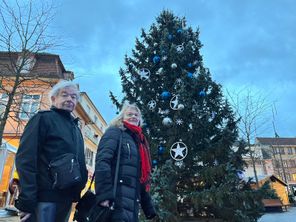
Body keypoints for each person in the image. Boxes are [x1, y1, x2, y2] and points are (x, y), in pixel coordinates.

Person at [15, 80, 88, 222]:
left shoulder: (76, 129)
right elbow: (26, 160)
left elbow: (80, 163)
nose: (69, 99)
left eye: (73, 97)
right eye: (64, 95)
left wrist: (77, 191)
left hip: (66, 200)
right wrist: (27, 200)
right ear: (54, 98)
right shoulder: (42, 119)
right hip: (44, 199)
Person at [95, 101, 156, 222]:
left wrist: (148, 207)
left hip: (132, 201)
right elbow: (102, 162)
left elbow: (140, 178)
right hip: (115, 199)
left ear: (140, 120)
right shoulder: (115, 133)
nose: (133, 117)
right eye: (129, 114)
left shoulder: (139, 142)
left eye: (136, 115)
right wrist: (104, 195)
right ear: (122, 118)